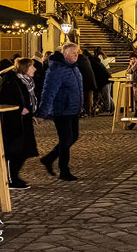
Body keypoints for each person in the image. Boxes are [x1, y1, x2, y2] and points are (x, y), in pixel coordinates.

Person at [37, 42, 83, 181]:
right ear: (65, 54)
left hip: (72, 109)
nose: (76, 55)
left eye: (77, 53)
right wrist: (42, 113)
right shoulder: (57, 69)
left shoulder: (73, 67)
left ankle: (49, 159)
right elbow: (49, 91)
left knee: (73, 137)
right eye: (74, 53)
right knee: (66, 139)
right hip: (62, 110)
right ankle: (64, 170)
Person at [0, 58, 40, 188]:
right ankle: (11, 179)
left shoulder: (27, 82)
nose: (35, 69)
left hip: (24, 121)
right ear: (25, 68)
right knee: (14, 151)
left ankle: (15, 177)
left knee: (24, 151)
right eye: (32, 67)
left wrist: (30, 114)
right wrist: (20, 110)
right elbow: (3, 101)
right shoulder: (12, 82)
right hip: (14, 123)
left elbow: (27, 100)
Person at [89, 49, 113, 114]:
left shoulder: (94, 65)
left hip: (105, 80)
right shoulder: (99, 63)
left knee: (106, 95)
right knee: (108, 95)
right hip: (108, 79)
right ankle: (111, 109)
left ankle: (108, 110)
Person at [75, 49, 97, 116]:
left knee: (83, 96)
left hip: (84, 81)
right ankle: (89, 110)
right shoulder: (86, 59)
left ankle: (83, 111)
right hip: (91, 81)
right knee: (90, 97)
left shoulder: (77, 60)